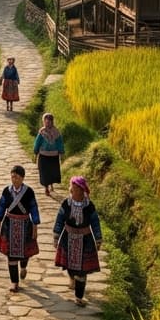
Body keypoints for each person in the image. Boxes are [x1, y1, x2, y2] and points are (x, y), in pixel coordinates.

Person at [53, 175, 103, 306]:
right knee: (70, 266)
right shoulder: (66, 203)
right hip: (67, 239)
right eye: (72, 189)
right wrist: (56, 236)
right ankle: (72, 278)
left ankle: (79, 297)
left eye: (76, 189)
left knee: (82, 271)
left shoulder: (89, 206)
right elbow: (59, 219)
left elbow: (95, 222)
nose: (73, 191)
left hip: (85, 241)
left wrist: (98, 239)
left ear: (82, 191)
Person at [0, 165, 40, 292]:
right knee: (11, 256)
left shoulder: (29, 192)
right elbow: (1, 207)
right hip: (9, 225)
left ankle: (24, 267)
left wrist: (35, 227)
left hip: (25, 225)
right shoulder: (6, 191)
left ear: (22, 178)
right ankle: (14, 283)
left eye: (17, 177)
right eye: (12, 176)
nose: (14, 179)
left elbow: (34, 209)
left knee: (24, 253)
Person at [33, 112, 64, 196]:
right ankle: (46, 188)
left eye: (49, 122)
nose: (47, 124)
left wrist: (61, 153)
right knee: (44, 173)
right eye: (46, 122)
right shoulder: (42, 132)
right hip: (43, 155)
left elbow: (60, 143)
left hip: (53, 156)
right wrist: (35, 152)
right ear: (44, 122)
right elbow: (37, 143)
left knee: (52, 172)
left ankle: (51, 184)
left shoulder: (56, 132)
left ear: (52, 122)